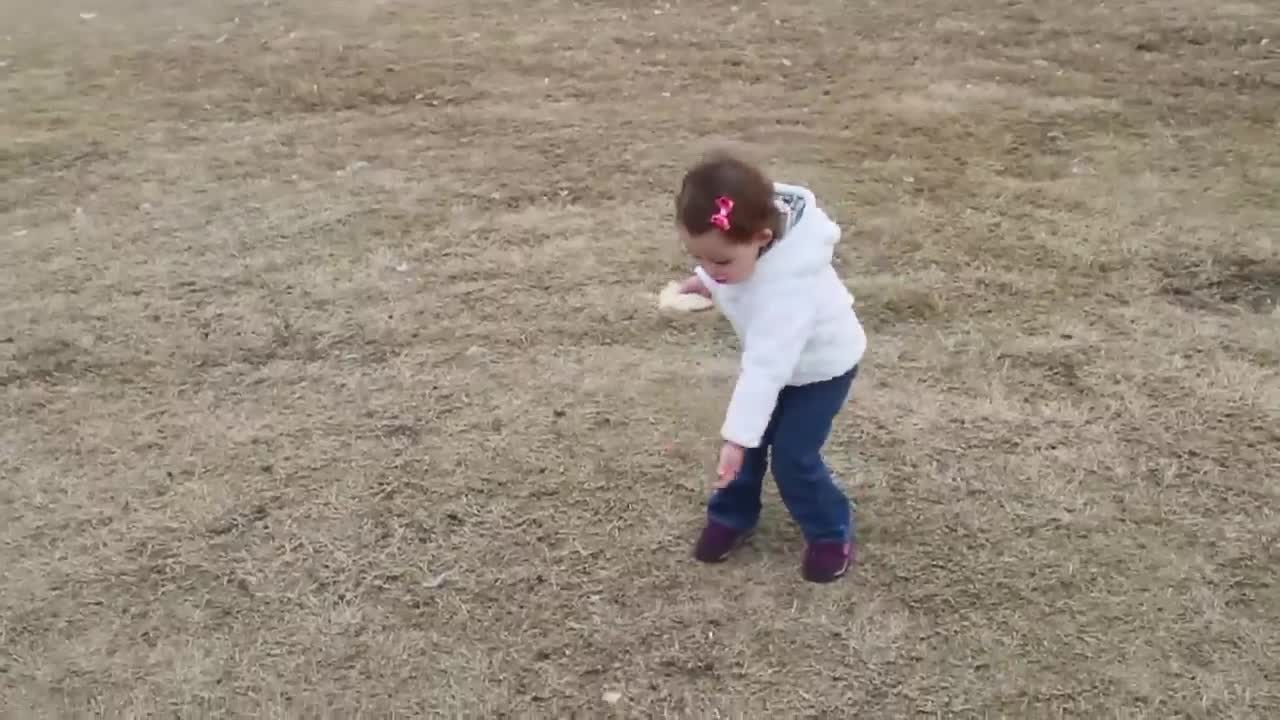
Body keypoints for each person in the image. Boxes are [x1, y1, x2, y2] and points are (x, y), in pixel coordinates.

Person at [670, 151, 867, 583]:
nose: (710, 269)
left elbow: (765, 368)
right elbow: (726, 268)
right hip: (779, 364)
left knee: (792, 456)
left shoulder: (787, 293)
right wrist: (703, 282)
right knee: (752, 444)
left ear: (762, 238)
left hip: (820, 368)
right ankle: (732, 515)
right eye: (698, 257)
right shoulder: (743, 248)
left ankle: (831, 531)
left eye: (719, 262)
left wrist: (736, 439)